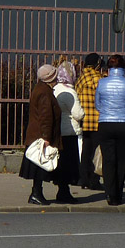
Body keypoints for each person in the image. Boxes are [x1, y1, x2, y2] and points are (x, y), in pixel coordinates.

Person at [95, 54, 125, 206]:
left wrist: (107, 111)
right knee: (121, 160)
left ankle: (109, 193)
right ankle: (118, 194)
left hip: (105, 123)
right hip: (124, 123)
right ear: (124, 67)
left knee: (108, 160)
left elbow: (97, 105)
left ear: (108, 68)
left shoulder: (102, 83)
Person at [19, 64, 62, 205]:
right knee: (40, 166)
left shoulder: (40, 89)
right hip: (41, 136)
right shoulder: (45, 92)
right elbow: (46, 117)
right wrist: (46, 137)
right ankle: (36, 193)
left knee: (38, 166)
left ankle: (37, 193)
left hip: (37, 135)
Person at [53, 60, 84, 203]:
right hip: (69, 131)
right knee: (69, 164)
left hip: (57, 130)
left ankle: (62, 190)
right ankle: (64, 193)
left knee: (61, 164)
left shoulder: (55, 89)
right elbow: (78, 114)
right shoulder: (70, 92)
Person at [75, 52, 102, 190]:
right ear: (97, 64)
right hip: (97, 120)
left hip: (85, 120)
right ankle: (94, 179)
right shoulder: (99, 79)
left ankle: (83, 178)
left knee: (86, 151)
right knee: (96, 152)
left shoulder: (81, 78)